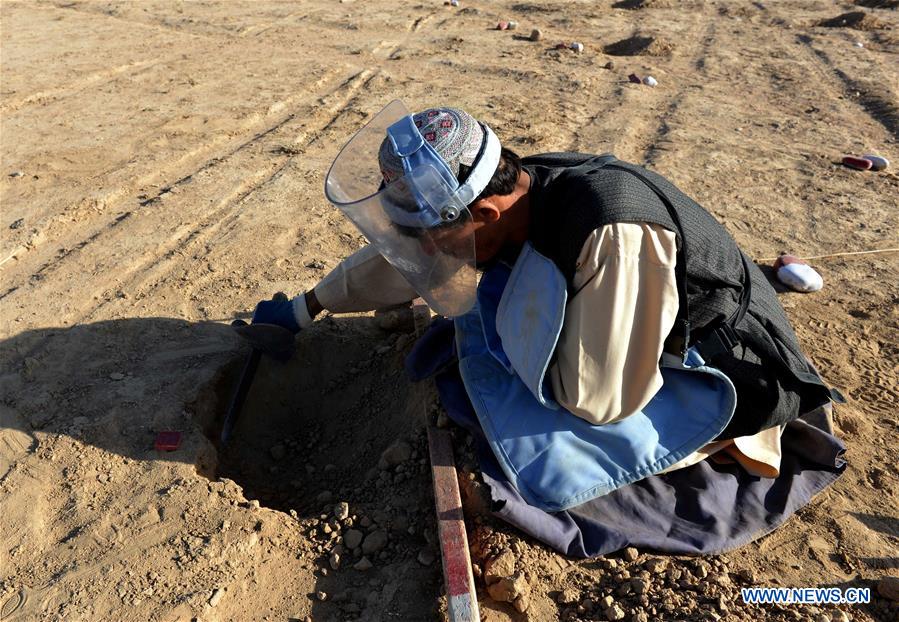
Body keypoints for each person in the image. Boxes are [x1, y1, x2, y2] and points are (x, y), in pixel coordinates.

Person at [251, 101, 838, 507]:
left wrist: (515, 350)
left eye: (433, 236)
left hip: (719, 359)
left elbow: (601, 398)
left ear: (482, 215)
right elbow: (410, 258)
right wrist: (306, 307)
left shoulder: (609, 230)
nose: (427, 252)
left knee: (542, 447)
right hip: (625, 312)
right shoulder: (516, 186)